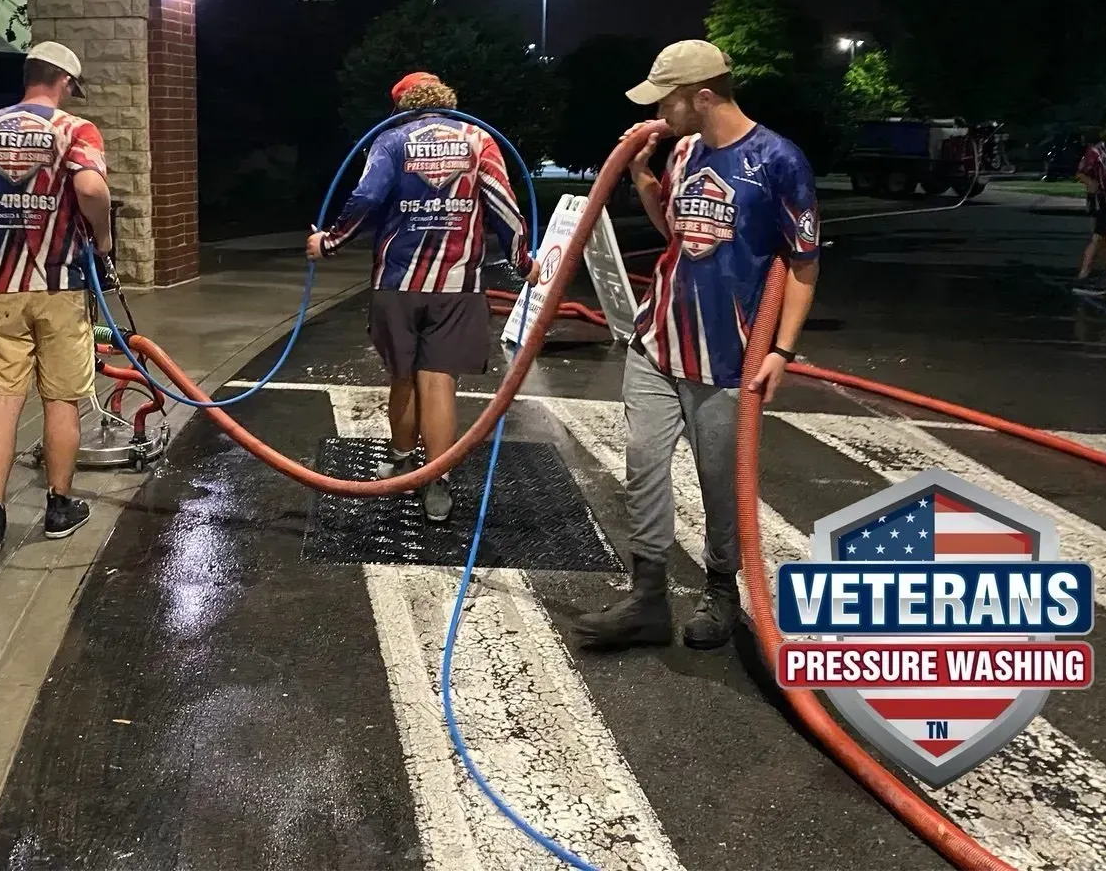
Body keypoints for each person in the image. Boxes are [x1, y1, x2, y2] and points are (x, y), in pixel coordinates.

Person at [573, 40, 820, 651]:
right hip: (657, 341)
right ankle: (647, 595)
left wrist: (781, 351)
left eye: (667, 100)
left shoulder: (777, 160)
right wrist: (642, 179)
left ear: (701, 96)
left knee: (719, 479)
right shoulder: (683, 151)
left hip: (729, 358)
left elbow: (806, 264)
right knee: (643, 465)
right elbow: (677, 235)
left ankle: (720, 589)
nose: (659, 111)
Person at [308, 71, 540, 522]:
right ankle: (437, 482)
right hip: (456, 287)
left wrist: (328, 243)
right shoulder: (479, 140)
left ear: (401, 104)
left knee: (402, 375)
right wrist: (523, 263)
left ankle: (399, 461)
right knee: (438, 379)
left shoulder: (391, 141)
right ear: (446, 99)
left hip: (397, 284)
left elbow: (366, 196)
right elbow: (505, 208)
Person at [0, 40, 115, 557]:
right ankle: (59, 507)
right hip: (58, 282)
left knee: (4, 396)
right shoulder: (74, 130)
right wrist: (103, 241)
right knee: (60, 397)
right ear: (64, 83)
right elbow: (90, 189)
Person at [1073, 129, 1106, 296]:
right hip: (1105, 201)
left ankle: (1083, 275)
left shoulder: (1101, 152)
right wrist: (1092, 185)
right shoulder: (1097, 152)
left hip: (1105, 201)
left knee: (1099, 238)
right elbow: (1081, 173)